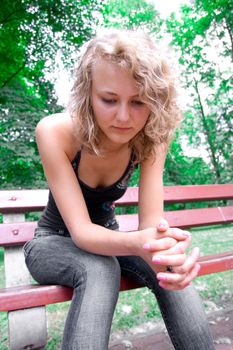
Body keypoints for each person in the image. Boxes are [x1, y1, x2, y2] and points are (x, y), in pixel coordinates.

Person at [23, 29, 214, 349]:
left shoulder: (152, 137)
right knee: (99, 267)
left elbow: (151, 227)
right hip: (53, 242)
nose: (124, 117)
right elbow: (82, 233)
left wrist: (166, 254)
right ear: (89, 93)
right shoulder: (56, 132)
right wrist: (142, 243)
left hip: (111, 238)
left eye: (139, 102)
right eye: (109, 100)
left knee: (166, 265)